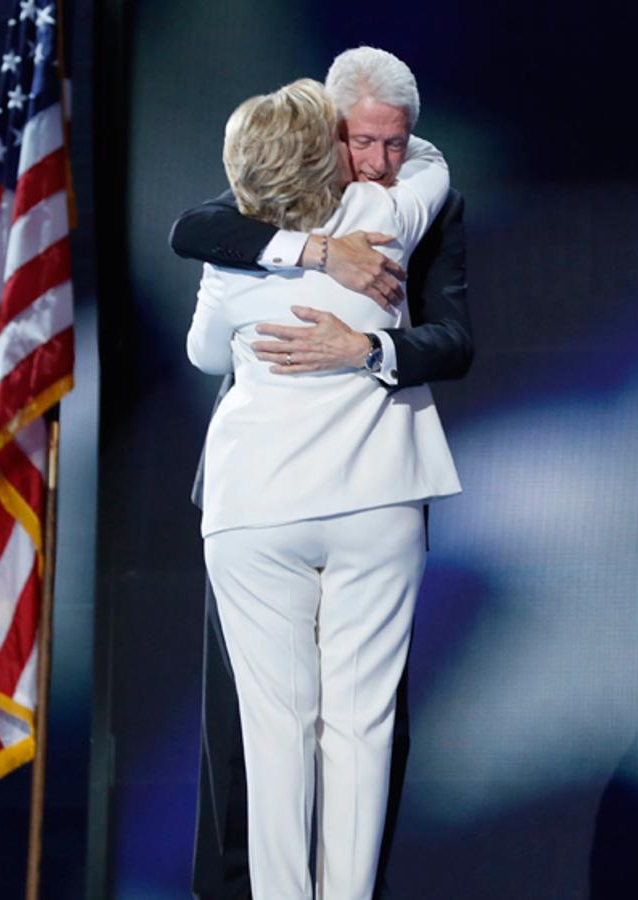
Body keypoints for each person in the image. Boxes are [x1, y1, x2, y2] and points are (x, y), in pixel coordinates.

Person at [171, 47, 473, 899]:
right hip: (372, 498)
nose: (381, 161)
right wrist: (321, 255)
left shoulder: (235, 251)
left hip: (256, 503)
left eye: (394, 144)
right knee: (357, 725)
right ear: (323, 134)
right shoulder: (393, 211)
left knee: (278, 730)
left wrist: (362, 342)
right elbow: (433, 165)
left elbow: (201, 349)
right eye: (363, 142)